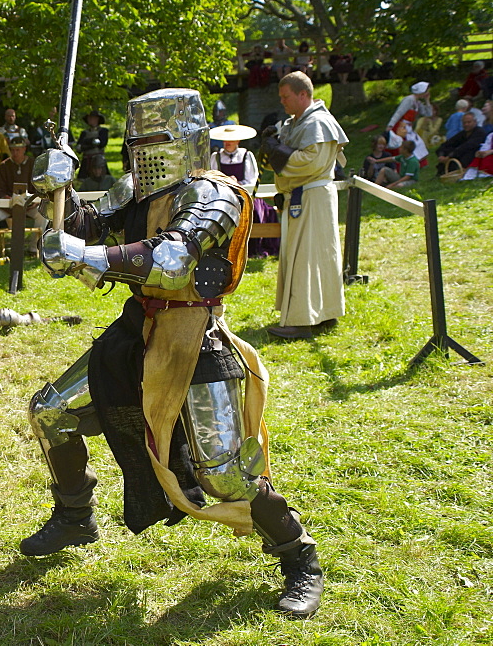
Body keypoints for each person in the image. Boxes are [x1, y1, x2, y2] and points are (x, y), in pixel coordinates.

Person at [22, 87, 324, 619]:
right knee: (50, 410)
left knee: (226, 475)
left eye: (157, 141)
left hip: (194, 337)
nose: (145, 153)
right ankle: (74, 516)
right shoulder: (132, 189)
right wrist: (54, 190)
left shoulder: (218, 195)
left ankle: (300, 556)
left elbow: (170, 261)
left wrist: (81, 252)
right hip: (138, 329)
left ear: (187, 138)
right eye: (136, 142)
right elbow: (85, 233)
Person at [259, 71, 348, 340]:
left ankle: (303, 320)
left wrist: (278, 153)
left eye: (286, 97)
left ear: (303, 94)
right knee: (311, 255)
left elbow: (311, 163)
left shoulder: (319, 122)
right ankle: (320, 313)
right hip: (302, 197)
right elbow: (274, 160)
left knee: (309, 257)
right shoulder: (295, 123)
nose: (283, 102)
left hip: (312, 197)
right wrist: (271, 148)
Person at [209, 124, 277, 257]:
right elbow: (212, 178)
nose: (228, 143)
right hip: (223, 195)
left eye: (231, 140)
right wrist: (226, 181)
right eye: (225, 140)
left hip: (245, 194)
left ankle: (254, 247)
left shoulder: (246, 155)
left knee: (255, 212)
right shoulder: (216, 156)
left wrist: (238, 183)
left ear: (238, 141)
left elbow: (252, 180)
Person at [0, 136, 47, 257]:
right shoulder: (4, 166)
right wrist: (5, 198)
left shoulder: (33, 164)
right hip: (9, 206)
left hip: (30, 205)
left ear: (24, 149)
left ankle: (33, 249)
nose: (15, 153)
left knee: (43, 214)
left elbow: (40, 187)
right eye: (13, 150)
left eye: (18, 150)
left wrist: (35, 199)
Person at [436, 111, 485, 177]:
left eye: (469, 122)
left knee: (461, 152)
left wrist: (450, 156)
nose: (466, 124)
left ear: (475, 122)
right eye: (464, 123)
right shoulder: (463, 134)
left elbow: (467, 146)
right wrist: (441, 155)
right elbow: (447, 144)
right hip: (459, 154)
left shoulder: (480, 132)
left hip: (473, 155)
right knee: (448, 149)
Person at [75, 110, 108, 179]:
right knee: (83, 179)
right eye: (89, 118)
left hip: (98, 159)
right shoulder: (84, 133)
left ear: (97, 119)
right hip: (86, 160)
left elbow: (102, 144)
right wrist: (91, 143)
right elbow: (79, 148)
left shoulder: (103, 131)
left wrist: (87, 143)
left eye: (92, 118)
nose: (90, 119)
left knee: (102, 178)